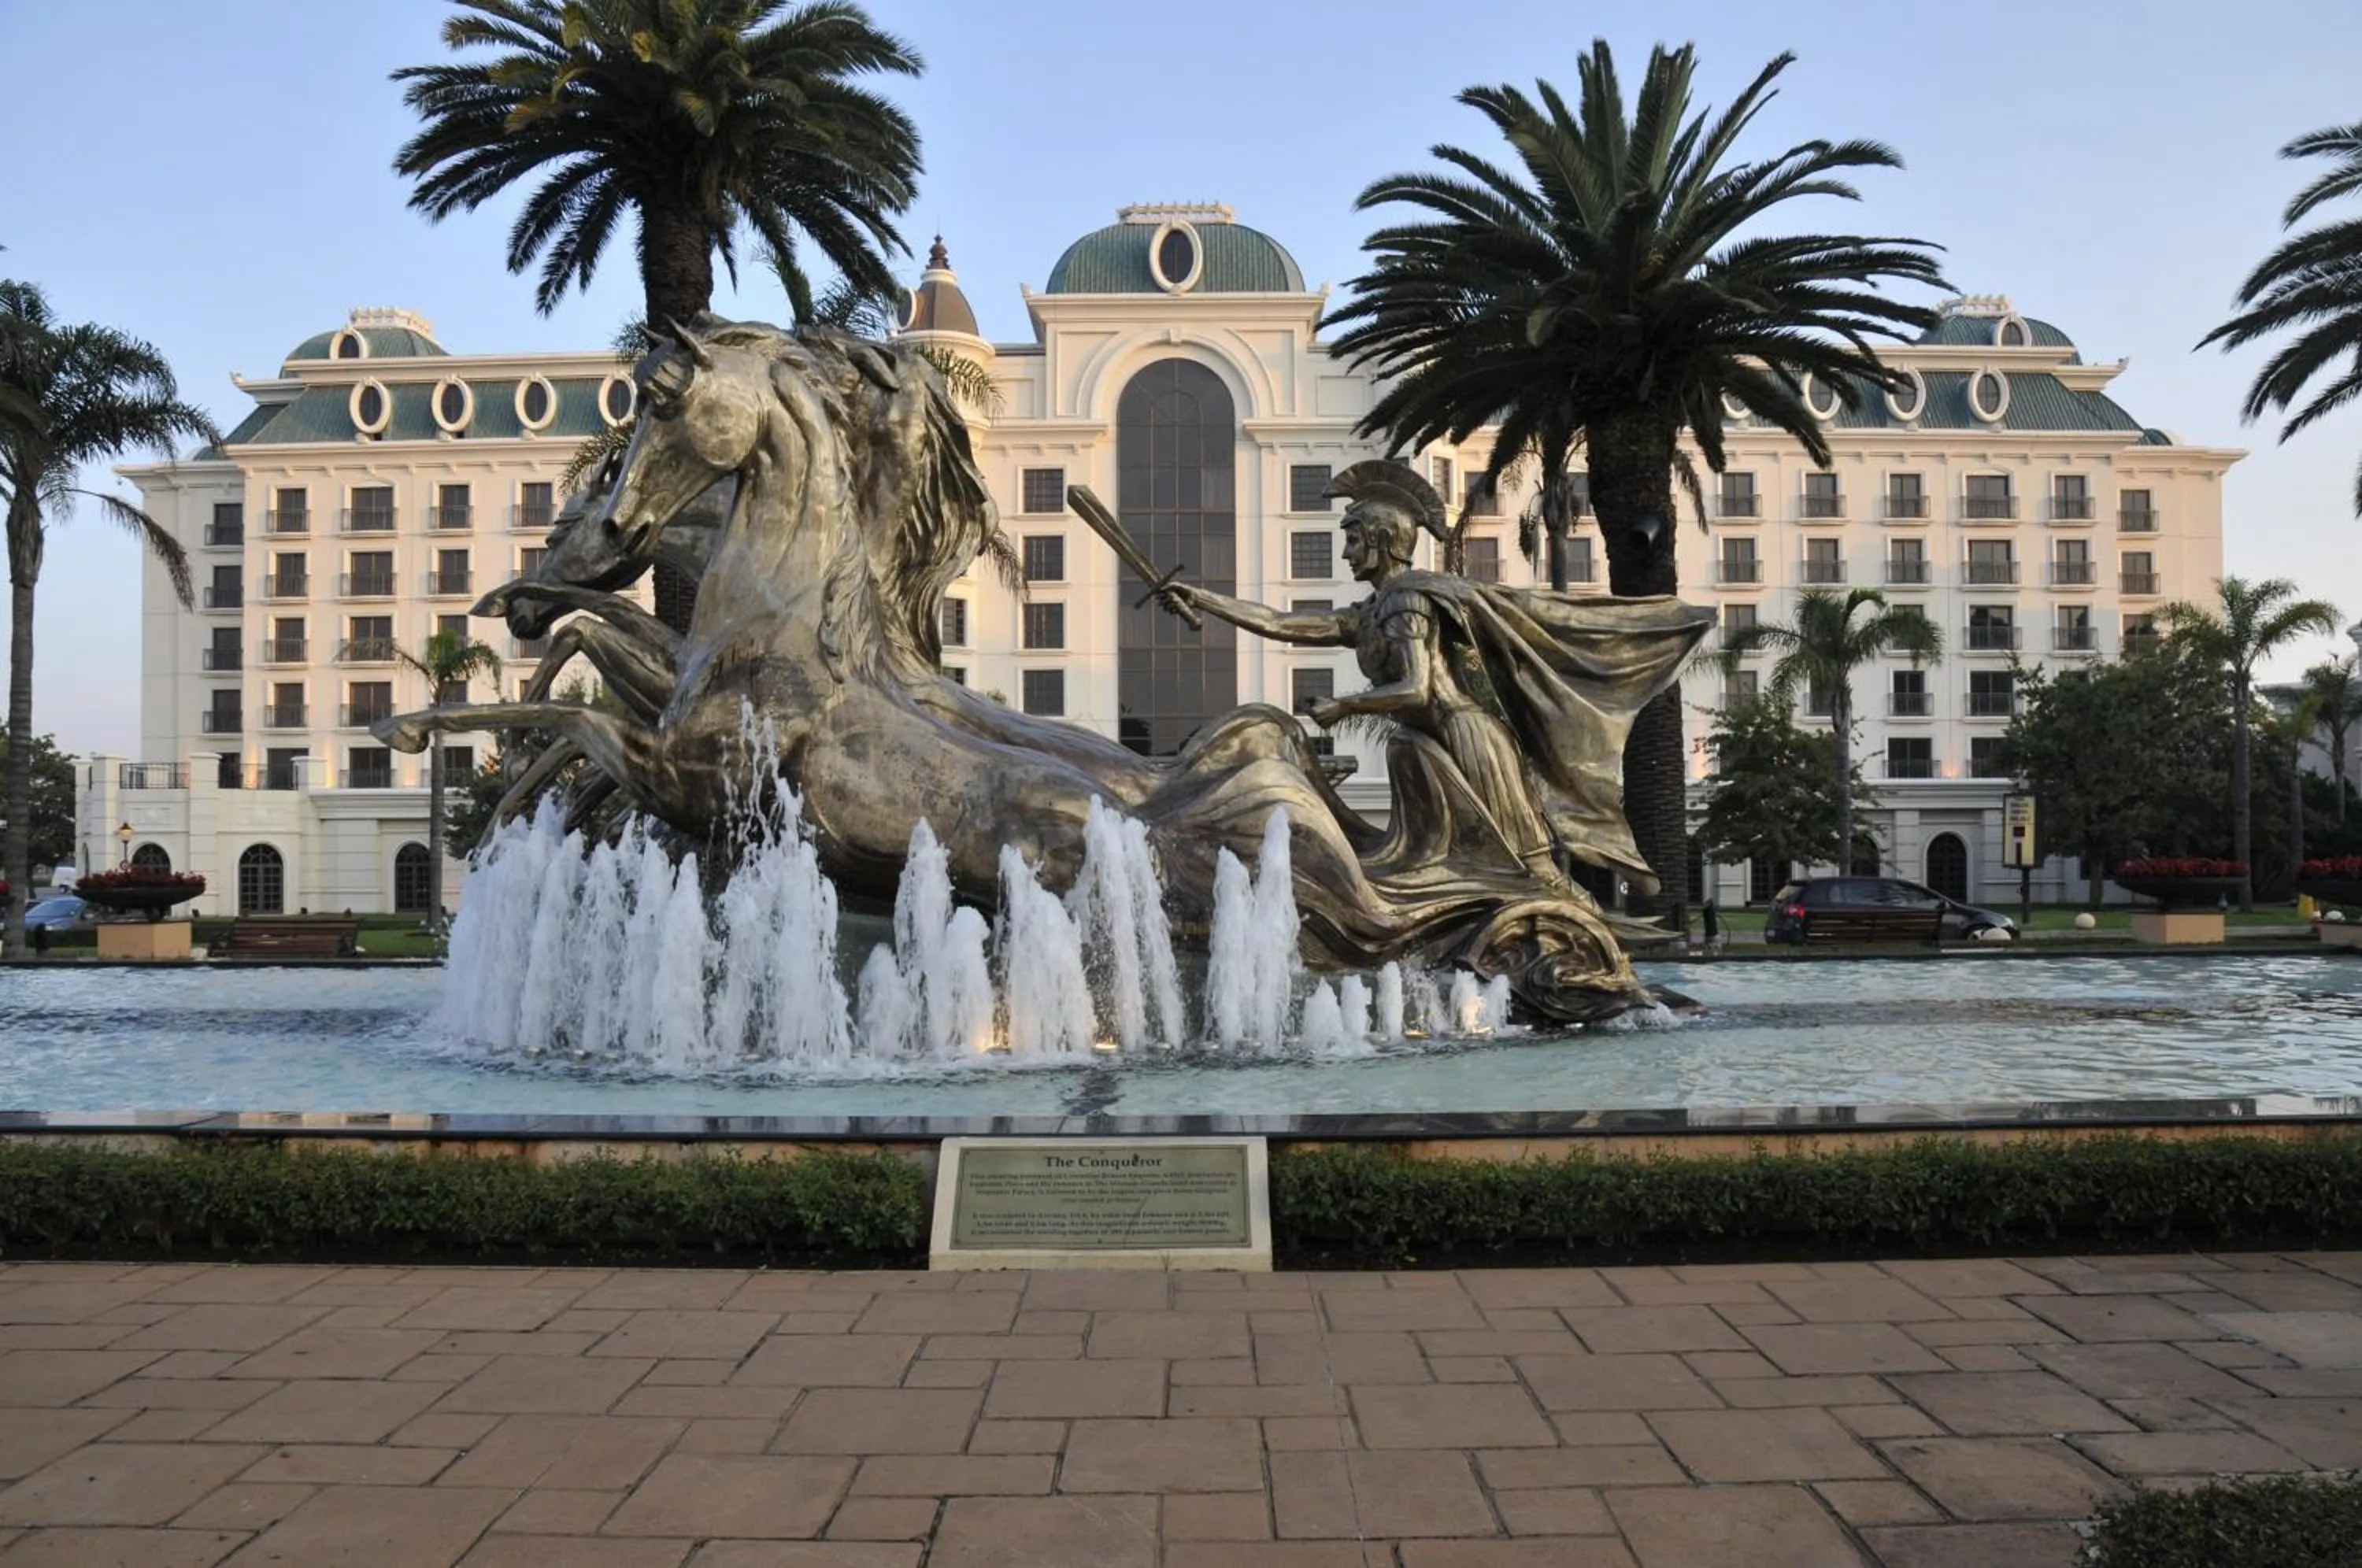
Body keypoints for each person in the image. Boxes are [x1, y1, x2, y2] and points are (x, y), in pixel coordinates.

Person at [1153, 460, 1712, 905]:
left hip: (1463, 740)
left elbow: (1418, 690)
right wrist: (1200, 598)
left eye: (1352, 540)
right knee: (1478, 862)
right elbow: (1283, 623)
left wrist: (1343, 704)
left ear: (1380, 539)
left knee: (1525, 868)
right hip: (1427, 746)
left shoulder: (1406, 603)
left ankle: (1582, 935)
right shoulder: (1372, 609)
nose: (1345, 552)